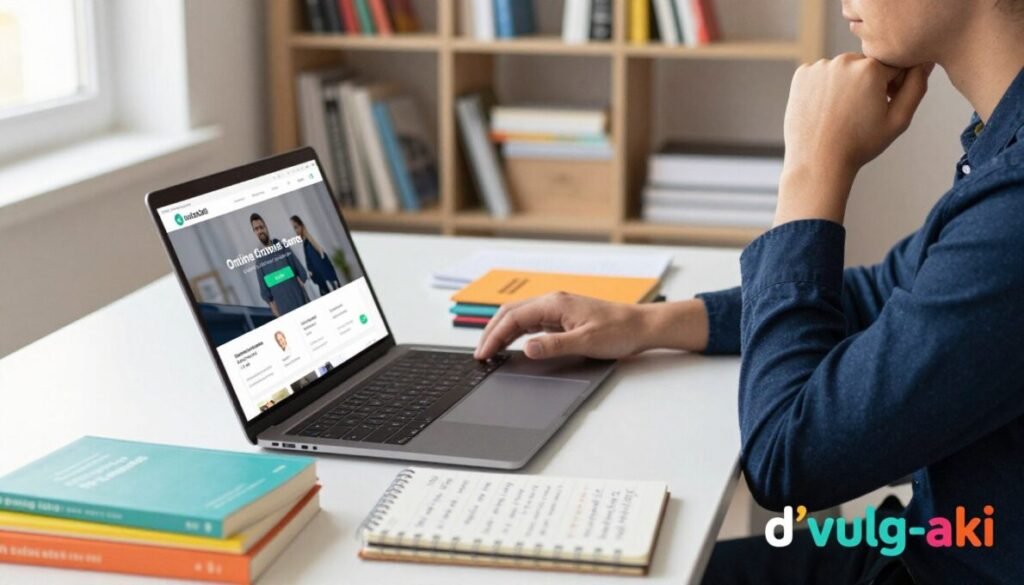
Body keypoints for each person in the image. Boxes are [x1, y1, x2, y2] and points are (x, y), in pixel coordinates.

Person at [474, 0, 1024, 582]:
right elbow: (887, 295)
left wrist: (812, 170)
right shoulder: (1002, 144)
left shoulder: (1014, 208)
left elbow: (788, 460)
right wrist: (647, 324)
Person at [250, 213, 309, 317]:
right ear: (254, 232)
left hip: (302, 303)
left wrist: (300, 281)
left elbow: (301, 272)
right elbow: (265, 293)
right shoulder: (259, 260)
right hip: (284, 312)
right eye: (256, 229)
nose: (260, 231)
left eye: (261, 227)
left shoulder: (282, 247)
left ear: (266, 227)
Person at [291, 215, 341, 296]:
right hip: (324, 282)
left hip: (326, 282)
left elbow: (319, 255)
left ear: (301, 226)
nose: (295, 231)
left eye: (296, 227)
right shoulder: (306, 243)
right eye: (294, 228)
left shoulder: (308, 241)